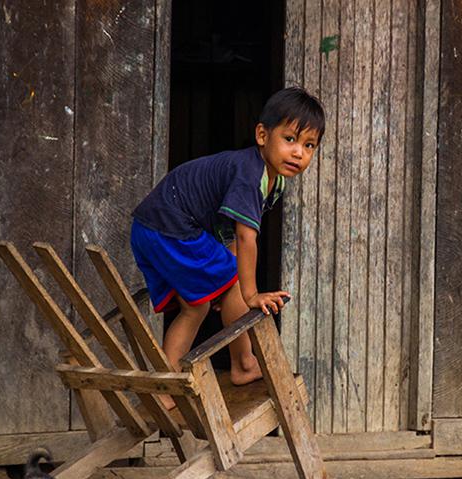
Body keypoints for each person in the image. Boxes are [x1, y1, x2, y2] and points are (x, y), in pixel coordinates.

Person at [130, 86, 324, 408]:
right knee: (235, 283)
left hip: (152, 227)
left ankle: (167, 385)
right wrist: (250, 294)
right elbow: (247, 237)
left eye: (309, 145)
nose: (299, 153)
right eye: (289, 139)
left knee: (197, 306)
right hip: (171, 227)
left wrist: (226, 276)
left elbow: (229, 230)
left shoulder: (272, 181)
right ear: (262, 135)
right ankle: (244, 363)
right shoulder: (250, 174)